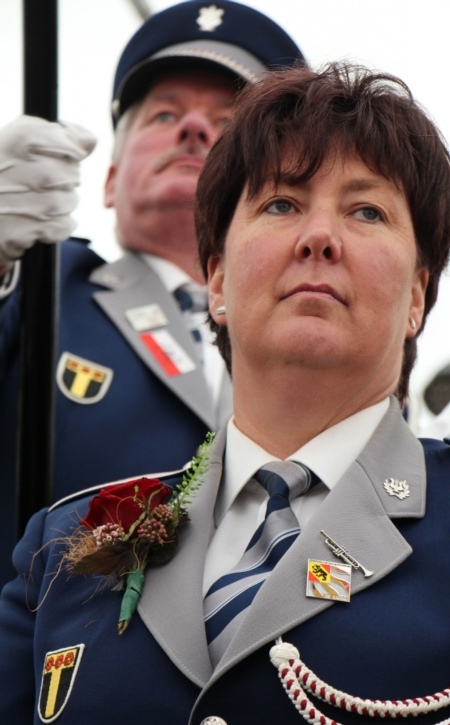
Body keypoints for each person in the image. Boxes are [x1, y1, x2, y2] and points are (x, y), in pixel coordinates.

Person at [1, 63, 450, 725]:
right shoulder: (64, 550)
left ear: (417, 295)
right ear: (216, 281)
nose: (319, 237)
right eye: (281, 204)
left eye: (366, 212)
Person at [0, 0, 305, 585]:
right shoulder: (43, 284)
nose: (193, 129)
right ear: (111, 178)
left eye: (227, 124)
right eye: (164, 115)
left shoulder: (320, 326)